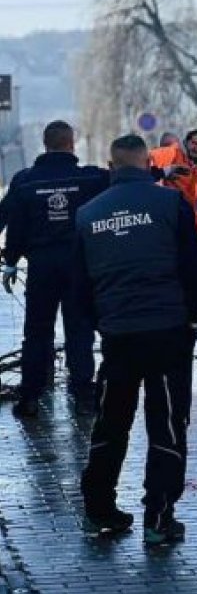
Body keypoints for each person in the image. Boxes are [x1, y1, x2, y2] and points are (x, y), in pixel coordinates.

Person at [74, 134, 197, 544]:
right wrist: (191, 318)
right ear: (148, 162)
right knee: (167, 425)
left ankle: (99, 511)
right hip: (168, 333)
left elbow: (79, 289)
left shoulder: (87, 215)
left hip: (118, 337)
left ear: (110, 166)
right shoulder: (170, 203)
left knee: (110, 423)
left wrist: (102, 323)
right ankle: (159, 518)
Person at [1, 120, 109, 417]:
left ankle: (31, 396)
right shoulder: (90, 178)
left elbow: (12, 221)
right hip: (79, 266)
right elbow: (127, 179)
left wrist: (10, 261)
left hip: (41, 266)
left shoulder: (25, 180)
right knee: (80, 329)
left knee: (37, 332)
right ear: (71, 144)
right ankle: (84, 395)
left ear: (45, 145)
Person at [149, 129, 197, 233]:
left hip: (194, 222)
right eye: (194, 143)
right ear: (185, 142)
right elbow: (144, 158)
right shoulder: (174, 152)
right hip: (173, 219)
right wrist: (164, 172)